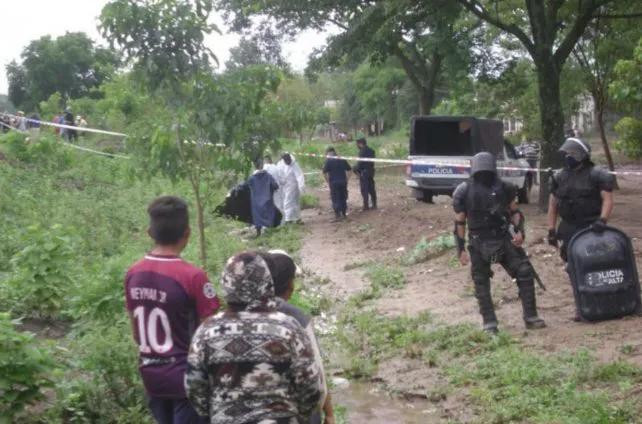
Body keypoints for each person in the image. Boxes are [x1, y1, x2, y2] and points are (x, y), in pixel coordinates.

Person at [186, 251, 323, 424]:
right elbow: (310, 386)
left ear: (227, 284)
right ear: (266, 282)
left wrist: (216, 413)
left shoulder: (206, 332)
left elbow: (194, 387)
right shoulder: (289, 328)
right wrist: (299, 416)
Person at [124, 196, 220, 424]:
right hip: (186, 380)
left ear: (149, 232)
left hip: (151, 378)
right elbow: (212, 333)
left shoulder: (133, 274)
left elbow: (137, 334)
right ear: (187, 233)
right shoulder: (193, 277)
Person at [453, 152, 546, 334]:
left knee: (524, 272)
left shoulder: (505, 187)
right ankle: (490, 323)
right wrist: (460, 249)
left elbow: (515, 212)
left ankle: (531, 316)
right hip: (478, 241)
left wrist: (520, 232)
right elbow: (459, 222)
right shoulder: (464, 191)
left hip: (502, 237)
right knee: (481, 281)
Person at [258, 250, 335, 424]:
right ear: (290, 286)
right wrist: (328, 413)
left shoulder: (237, 317)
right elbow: (317, 374)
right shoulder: (298, 320)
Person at [546, 137, 615, 319]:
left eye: (573, 153)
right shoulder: (559, 177)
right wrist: (551, 230)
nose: (569, 156)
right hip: (569, 229)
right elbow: (552, 206)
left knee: (597, 266)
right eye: (567, 153)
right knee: (573, 268)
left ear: (583, 155)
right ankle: (582, 306)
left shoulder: (597, 174)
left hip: (592, 227)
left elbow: (608, 200)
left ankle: (605, 303)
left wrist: (602, 221)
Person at [248, 158, 280, 236]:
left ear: (254, 166)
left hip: (256, 202)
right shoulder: (268, 176)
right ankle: (269, 231)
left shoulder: (252, 178)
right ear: (262, 165)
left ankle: (258, 232)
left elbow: (248, 187)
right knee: (268, 215)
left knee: (257, 216)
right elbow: (275, 186)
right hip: (268, 200)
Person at [322, 147, 351, 222]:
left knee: (335, 199)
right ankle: (344, 215)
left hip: (334, 183)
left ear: (329, 153)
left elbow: (324, 172)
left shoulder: (328, 161)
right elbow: (350, 170)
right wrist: (347, 179)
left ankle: (338, 216)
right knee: (343, 198)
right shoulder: (342, 159)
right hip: (343, 182)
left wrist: (327, 181)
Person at [277, 153, 305, 223]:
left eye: (288, 161)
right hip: (285, 186)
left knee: (290, 202)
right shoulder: (281, 164)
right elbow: (280, 174)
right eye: (286, 161)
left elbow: (299, 175)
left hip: (293, 186)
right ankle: (294, 218)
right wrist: (281, 182)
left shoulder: (294, 165)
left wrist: (301, 186)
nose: (287, 162)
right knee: (289, 202)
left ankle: (289, 219)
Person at [354, 138, 377, 211]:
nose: (357, 146)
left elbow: (360, 164)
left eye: (357, 144)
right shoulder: (372, 150)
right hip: (371, 172)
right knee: (372, 188)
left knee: (364, 190)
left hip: (364, 173)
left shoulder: (362, 152)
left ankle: (366, 206)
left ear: (360, 143)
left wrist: (355, 169)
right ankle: (374, 204)